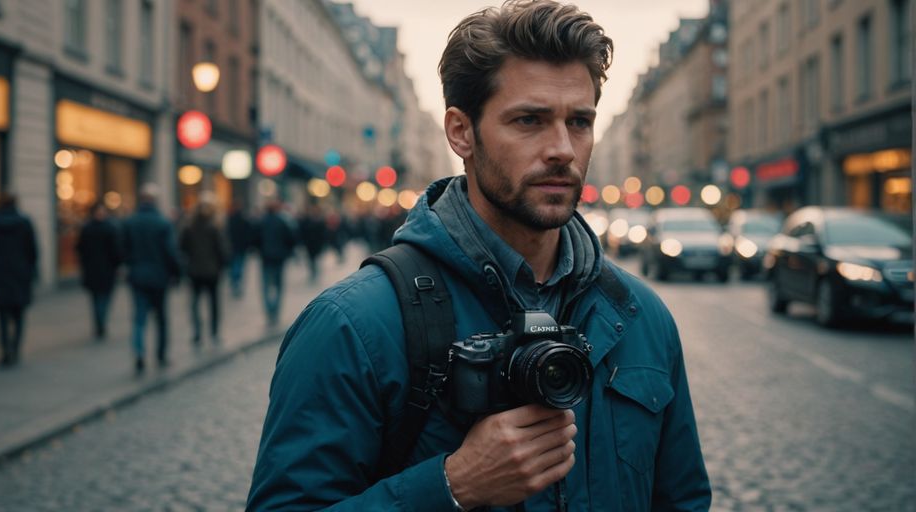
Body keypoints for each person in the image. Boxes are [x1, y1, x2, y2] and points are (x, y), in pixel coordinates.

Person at [247, 2, 710, 510]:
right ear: (460, 132)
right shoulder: (353, 325)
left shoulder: (641, 317)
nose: (562, 149)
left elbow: (682, 499)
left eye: (579, 122)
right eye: (529, 120)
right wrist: (452, 487)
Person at [122, 184, 181, 374]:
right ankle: (161, 354)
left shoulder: (130, 222)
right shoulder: (162, 223)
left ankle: (139, 353)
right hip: (158, 277)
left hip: (138, 276)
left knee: (139, 318)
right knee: (161, 318)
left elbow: (123, 250)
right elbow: (170, 252)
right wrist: (176, 273)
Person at [0, 192, 38, 368]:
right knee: (19, 314)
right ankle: (15, 348)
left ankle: (5, 349)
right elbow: (33, 250)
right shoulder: (24, 222)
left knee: (2, 315)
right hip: (20, 273)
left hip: (0, 273)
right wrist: (32, 270)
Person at [179, 194, 229, 346]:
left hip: (194, 270)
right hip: (212, 271)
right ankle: (213, 331)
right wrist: (222, 265)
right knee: (213, 303)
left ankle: (197, 332)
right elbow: (222, 251)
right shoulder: (214, 228)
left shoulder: (189, 227)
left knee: (195, 303)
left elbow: (182, 247)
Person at [76, 202, 123, 341]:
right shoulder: (108, 228)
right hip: (102, 270)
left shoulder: (89, 228)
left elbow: (80, 249)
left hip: (99, 269)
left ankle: (99, 323)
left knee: (99, 298)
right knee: (100, 298)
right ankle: (100, 323)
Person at [255, 198, 296, 327]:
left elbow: (255, 239)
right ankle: (275, 311)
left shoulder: (261, 222)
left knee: (266, 286)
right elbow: (291, 238)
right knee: (278, 285)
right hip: (279, 258)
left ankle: (269, 310)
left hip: (266, 258)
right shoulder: (282, 222)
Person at [224, 200, 255, 298]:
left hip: (234, 247)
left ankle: (235, 282)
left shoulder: (230, 219)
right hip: (240, 247)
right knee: (239, 266)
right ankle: (236, 282)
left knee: (235, 266)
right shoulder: (243, 219)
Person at [297, 202, 328, 285]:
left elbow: (324, 234)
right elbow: (303, 232)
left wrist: (323, 244)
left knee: (316, 260)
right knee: (311, 260)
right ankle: (313, 272)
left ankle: (316, 273)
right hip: (309, 245)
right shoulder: (307, 220)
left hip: (317, 244)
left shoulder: (321, 221)